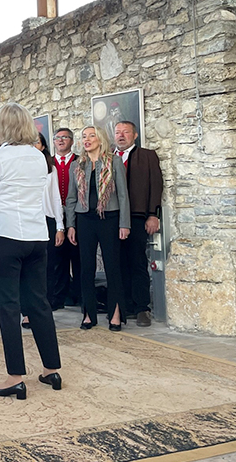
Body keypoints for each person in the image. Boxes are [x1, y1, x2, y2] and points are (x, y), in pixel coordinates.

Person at [0, 103, 62, 400]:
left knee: (9, 306)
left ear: (4, 127)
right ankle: (51, 370)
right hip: (37, 237)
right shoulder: (39, 157)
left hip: (7, 238)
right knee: (38, 303)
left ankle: (14, 377)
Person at [65, 126, 131, 331]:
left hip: (109, 218)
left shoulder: (114, 162)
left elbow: (123, 195)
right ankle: (88, 313)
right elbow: (71, 198)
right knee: (86, 269)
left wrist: (124, 223)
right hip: (85, 220)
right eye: (84, 137)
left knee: (112, 267)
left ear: (100, 139)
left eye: (91, 136)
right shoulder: (77, 165)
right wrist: (70, 225)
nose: (87, 140)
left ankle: (116, 313)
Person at [114, 121, 163, 327]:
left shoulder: (147, 155)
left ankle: (142, 307)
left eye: (125, 132)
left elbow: (156, 185)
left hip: (136, 215)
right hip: (113, 217)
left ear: (134, 135)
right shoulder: (108, 157)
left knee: (137, 261)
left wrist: (153, 214)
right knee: (117, 262)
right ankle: (124, 305)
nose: (121, 136)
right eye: (117, 132)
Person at [21, 133, 65, 329]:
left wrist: (60, 226)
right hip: (25, 220)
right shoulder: (19, 167)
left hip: (46, 221)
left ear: (43, 146)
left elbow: (55, 198)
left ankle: (43, 309)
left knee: (45, 268)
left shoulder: (51, 168)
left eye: (36, 142)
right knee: (24, 269)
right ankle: (26, 312)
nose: (33, 146)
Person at [51, 127, 81, 308]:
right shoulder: (49, 163)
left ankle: (80, 295)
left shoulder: (79, 161)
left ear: (72, 141)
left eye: (65, 137)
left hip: (77, 213)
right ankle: (58, 297)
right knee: (57, 257)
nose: (61, 141)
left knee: (78, 257)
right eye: (58, 138)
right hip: (55, 214)